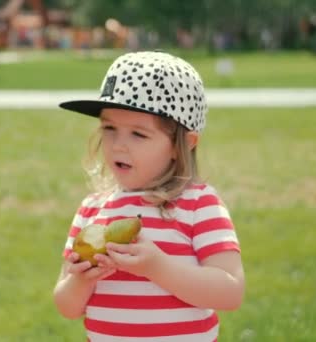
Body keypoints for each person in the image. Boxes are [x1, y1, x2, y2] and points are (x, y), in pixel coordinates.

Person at [53, 51, 245, 341]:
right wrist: (81, 279)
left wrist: (157, 267)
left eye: (138, 134)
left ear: (183, 145)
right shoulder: (93, 210)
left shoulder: (198, 204)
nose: (118, 145)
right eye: (109, 128)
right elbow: (66, 306)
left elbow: (230, 292)